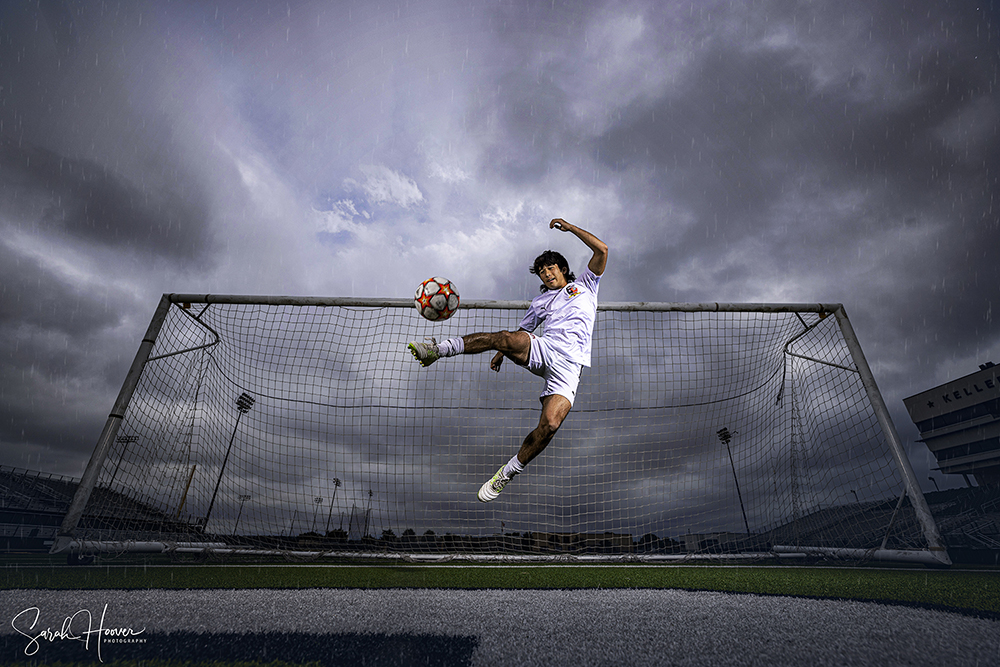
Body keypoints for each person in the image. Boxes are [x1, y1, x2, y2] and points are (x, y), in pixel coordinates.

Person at [407, 218, 608, 502]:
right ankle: (438, 350)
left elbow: (602, 250)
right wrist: (503, 350)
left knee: (550, 426)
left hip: (570, 367)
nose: (547, 273)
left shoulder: (586, 285)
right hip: (546, 348)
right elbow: (522, 331)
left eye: (550, 267)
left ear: (562, 269)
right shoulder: (540, 303)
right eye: (541, 271)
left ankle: (508, 472)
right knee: (502, 336)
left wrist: (571, 229)